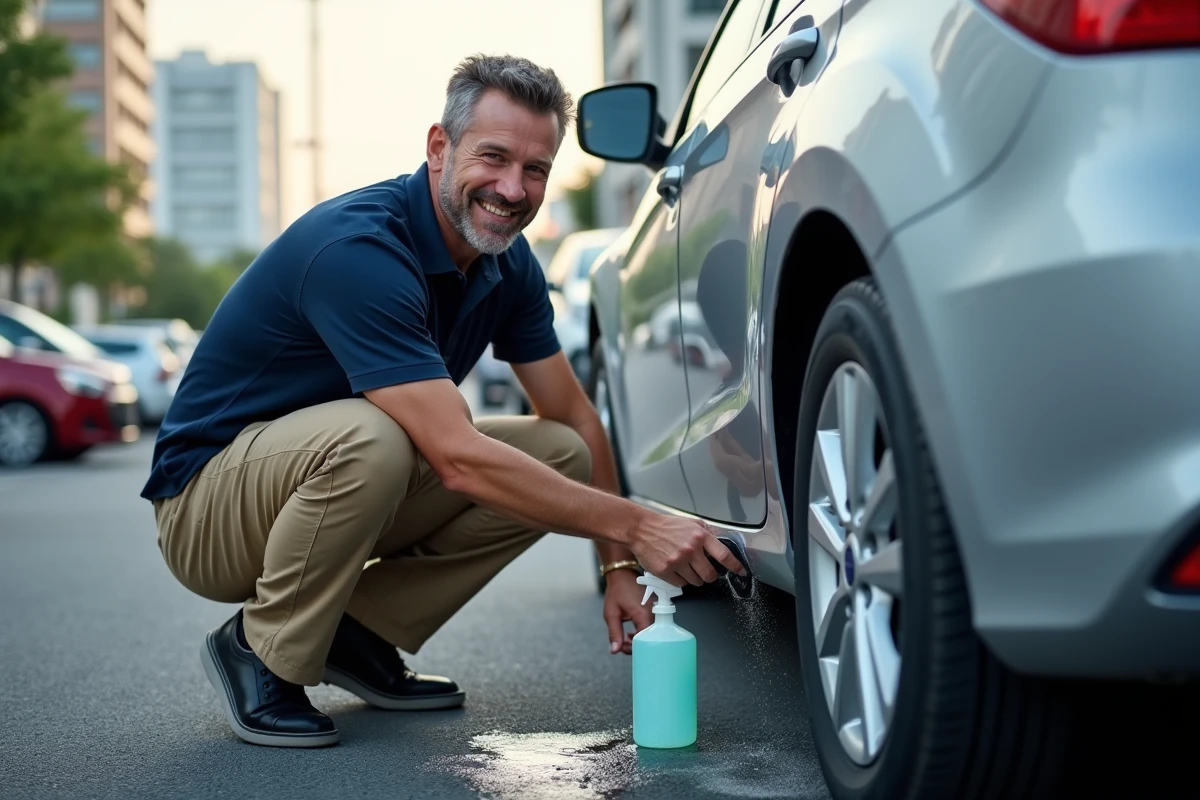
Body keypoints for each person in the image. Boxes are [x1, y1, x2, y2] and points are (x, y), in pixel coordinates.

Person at [142, 53, 746, 749]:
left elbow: (575, 417)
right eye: (493, 157)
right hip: (208, 509)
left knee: (561, 453)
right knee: (377, 435)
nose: (513, 188)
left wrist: (619, 566)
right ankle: (260, 648)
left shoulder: (507, 263)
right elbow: (457, 460)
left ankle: (354, 633)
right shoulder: (359, 250)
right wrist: (642, 525)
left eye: (536, 170)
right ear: (439, 147)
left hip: (326, 486)